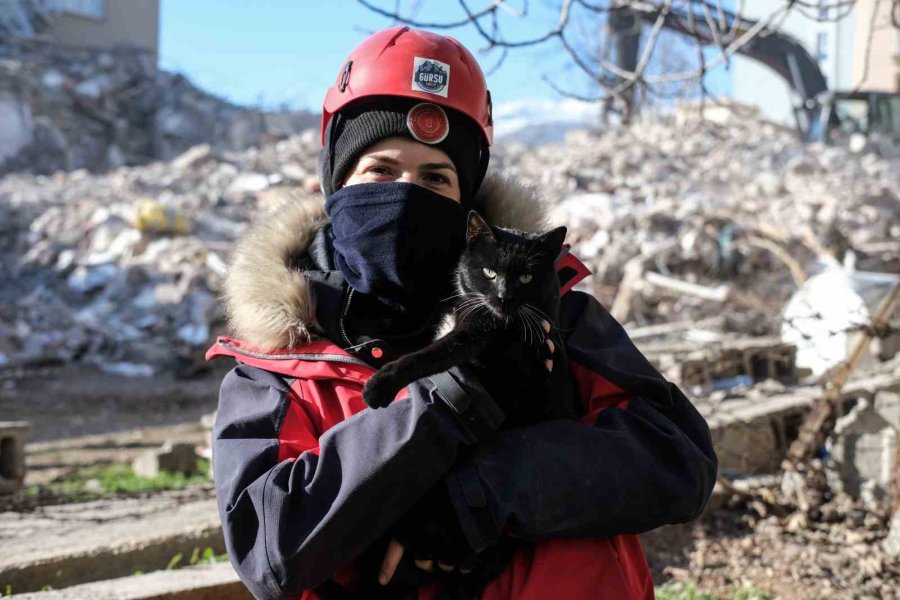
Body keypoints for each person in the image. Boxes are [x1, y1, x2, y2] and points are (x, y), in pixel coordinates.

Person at [206, 26, 717, 600]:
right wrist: (448, 404)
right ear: (337, 181)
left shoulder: (553, 314)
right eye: (380, 169)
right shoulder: (276, 365)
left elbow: (677, 457)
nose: (407, 193)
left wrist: (484, 495)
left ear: (467, 200)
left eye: (436, 178)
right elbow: (269, 547)